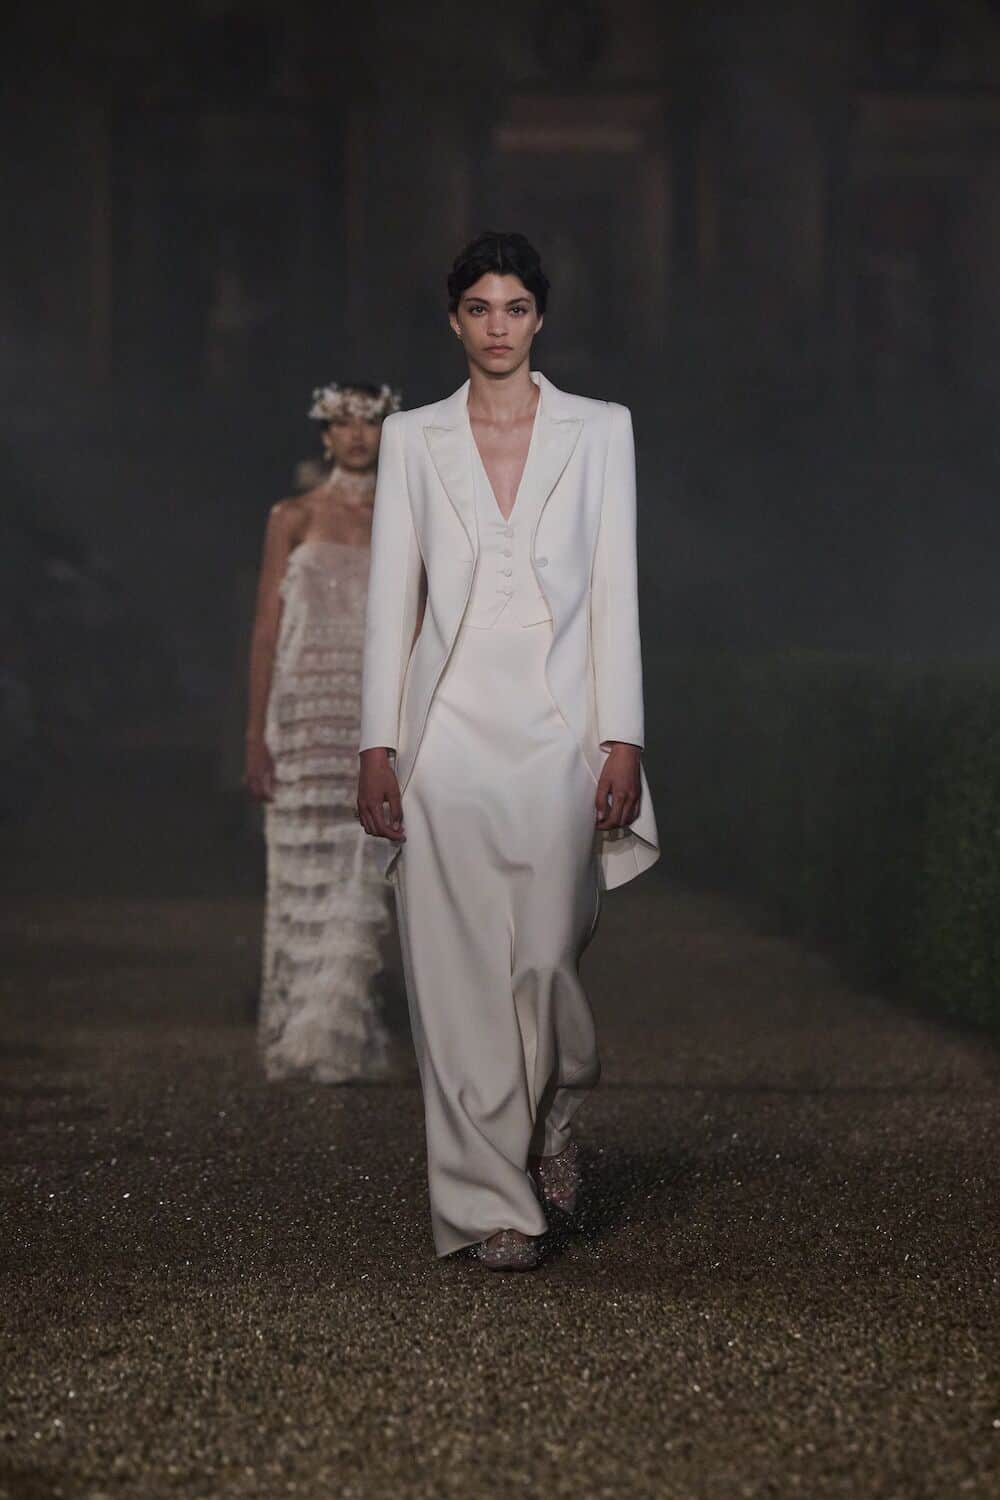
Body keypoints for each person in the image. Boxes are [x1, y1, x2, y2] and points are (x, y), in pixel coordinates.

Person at [356, 232, 660, 1269]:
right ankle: (491, 1205)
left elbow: (616, 588)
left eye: (516, 307)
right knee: (453, 978)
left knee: (544, 957)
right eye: (480, 308)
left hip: (557, 728)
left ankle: (553, 1109)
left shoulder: (601, 429)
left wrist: (623, 737)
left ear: (541, 317)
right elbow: (391, 601)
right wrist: (378, 745)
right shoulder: (412, 438)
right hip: (445, 731)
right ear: (455, 320)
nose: (498, 326)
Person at [245, 380, 402, 1083]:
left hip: (369, 714)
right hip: (304, 713)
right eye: (343, 422)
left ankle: (332, 1033)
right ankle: (307, 1027)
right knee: (303, 866)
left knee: (363, 863)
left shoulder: (405, 516)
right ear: (325, 433)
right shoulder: (292, 515)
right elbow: (267, 627)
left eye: (370, 421)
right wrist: (256, 734)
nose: (357, 434)